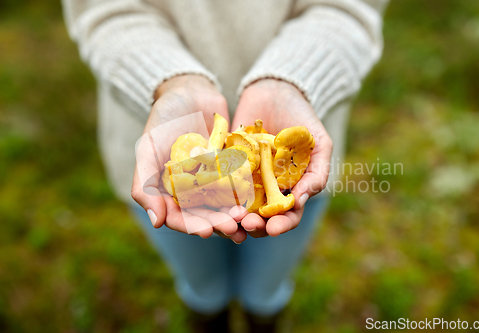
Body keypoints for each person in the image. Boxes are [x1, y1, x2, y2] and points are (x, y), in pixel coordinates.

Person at [63, 0, 387, 331]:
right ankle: (209, 317)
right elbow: (104, 12)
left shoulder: (274, 158)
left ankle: (263, 318)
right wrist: (173, 83)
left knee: (266, 288)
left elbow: (350, 9)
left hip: (299, 162)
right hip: (160, 157)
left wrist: (291, 79)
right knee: (203, 287)